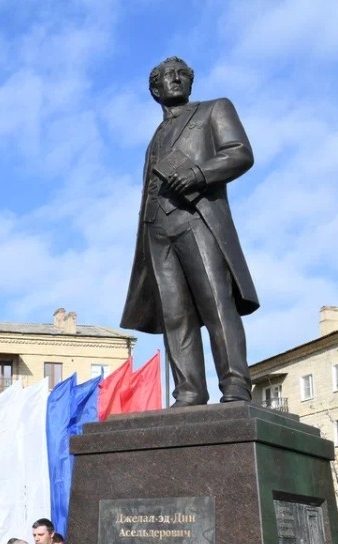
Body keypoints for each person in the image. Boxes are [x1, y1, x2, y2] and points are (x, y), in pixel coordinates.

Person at [121, 56, 258, 406]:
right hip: (156, 229)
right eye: (168, 75)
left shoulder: (213, 110)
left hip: (197, 218)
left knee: (215, 302)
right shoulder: (155, 136)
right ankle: (189, 391)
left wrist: (199, 174)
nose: (177, 79)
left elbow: (240, 153)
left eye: (183, 74)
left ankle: (236, 385)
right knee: (175, 315)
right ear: (155, 89)